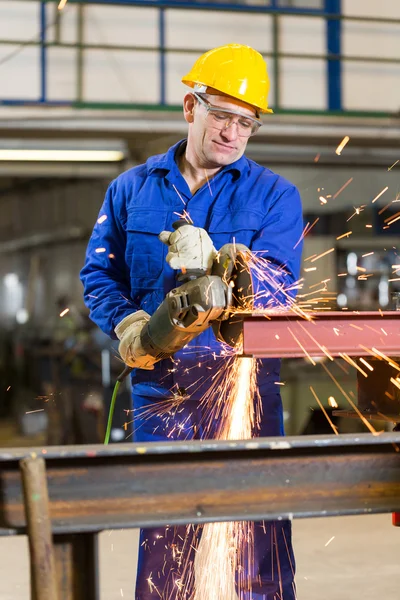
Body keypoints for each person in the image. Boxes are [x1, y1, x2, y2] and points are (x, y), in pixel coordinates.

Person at [81, 43, 303, 600]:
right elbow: (98, 275)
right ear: (190, 107)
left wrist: (226, 268)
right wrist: (130, 323)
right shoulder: (131, 189)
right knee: (168, 542)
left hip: (243, 388)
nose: (232, 133)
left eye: (246, 123)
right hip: (160, 387)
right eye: (222, 115)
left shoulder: (277, 195)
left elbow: (279, 286)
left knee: (255, 536)